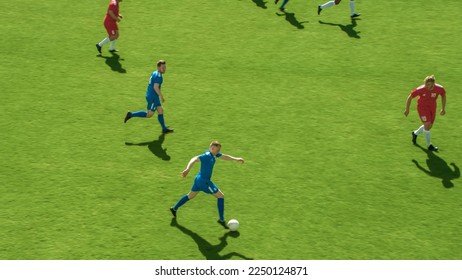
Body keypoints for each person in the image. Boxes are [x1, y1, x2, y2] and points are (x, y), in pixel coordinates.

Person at [170, 141, 245, 228]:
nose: (217, 152)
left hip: (198, 179)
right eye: (215, 149)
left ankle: (174, 208)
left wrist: (236, 159)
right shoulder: (207, 156)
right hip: (204, 181)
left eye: (217, 150)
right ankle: (221, 220)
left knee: (190, 196)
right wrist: (187, 169)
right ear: (211, 148)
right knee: (221, 196)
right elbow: (194, 159)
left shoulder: (213, 154)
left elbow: (224, 156)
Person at [124, 60, 174, 134]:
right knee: (149, 114)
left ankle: (164, 128)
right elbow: (155, 87)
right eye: (162, 67)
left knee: (160, 110)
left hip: (152, 95)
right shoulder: (159, 77)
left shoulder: (155, 72)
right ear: (158, 67)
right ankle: (131, 114)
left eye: (165, 67)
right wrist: (162, 96)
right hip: (153, 97)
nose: (164, 69)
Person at [404, 75, 446, 151]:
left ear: (433, 84)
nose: (426, 86)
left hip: (432, 108)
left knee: (429, 126)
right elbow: (410, 97)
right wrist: (407, 109)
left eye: (429, 85)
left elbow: (443, 95)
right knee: (427, 125)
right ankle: (429, 145)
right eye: (426, 84)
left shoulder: (439, 88)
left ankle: (415, 133)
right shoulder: (421, 89)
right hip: (422, 108)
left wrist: (443, 108)